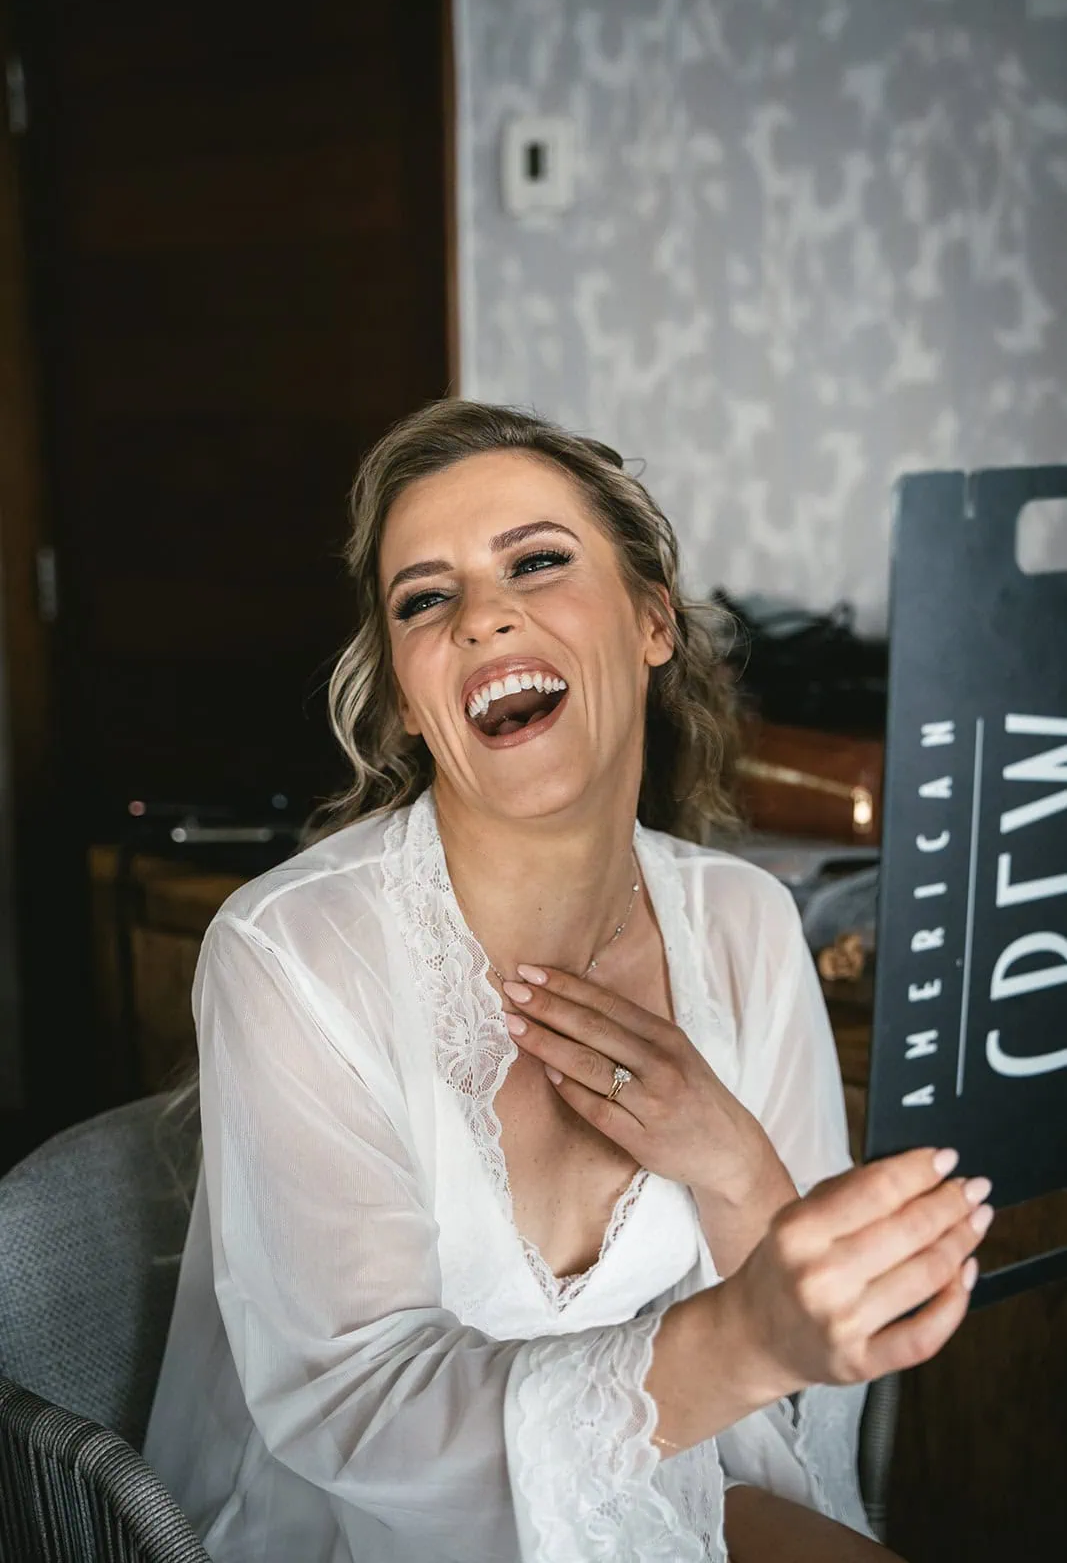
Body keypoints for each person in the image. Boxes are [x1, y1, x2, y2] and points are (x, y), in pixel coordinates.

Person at [144, 400, 993, 1562]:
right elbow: (351, 1408)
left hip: (673, 1489)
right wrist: (733, 1339)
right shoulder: (288, 951)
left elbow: (813, 1375)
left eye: (536, 561)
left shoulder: (742, 924)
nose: (485, 615)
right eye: (425, 599)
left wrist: (731, 1156)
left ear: (652, 619)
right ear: (402, 693)